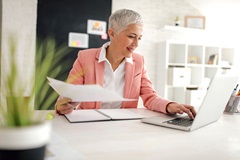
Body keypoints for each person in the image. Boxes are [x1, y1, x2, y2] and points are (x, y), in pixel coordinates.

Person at [55, 9, 196, 119]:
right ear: (112, 33)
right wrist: (63, 105)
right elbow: (70, 94)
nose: (136, 44)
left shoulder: (139, 62)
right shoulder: (85, 57)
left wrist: (169, 105)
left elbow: (150, 97)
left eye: (139, 38)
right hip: (89, 124)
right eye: (131, 36)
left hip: (123, 124)